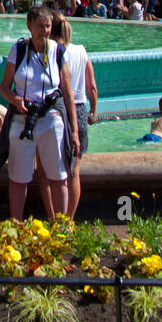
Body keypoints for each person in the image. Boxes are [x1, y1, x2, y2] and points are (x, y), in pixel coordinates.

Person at [0, 4, 80, 220]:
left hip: (51, 119)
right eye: (39, 26)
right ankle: (16, 224)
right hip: (22, 119)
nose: (44, 31)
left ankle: (60, 227)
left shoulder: (58, 51)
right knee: (18, 177)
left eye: (47, 26)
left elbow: (67, 93)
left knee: (58, 176)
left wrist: (74, 131)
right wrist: (15, 99)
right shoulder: (18, 50)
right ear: (29, 26)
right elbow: (4, 87)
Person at [51, 14, 97, 219]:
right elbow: (92, 87)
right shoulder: (81, 50)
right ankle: (70, 218)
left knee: (57, 169)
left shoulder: (54, 52)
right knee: (74, 170)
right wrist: (93, 112)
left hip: (60, 108)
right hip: (79, 108)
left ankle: (56, 216)